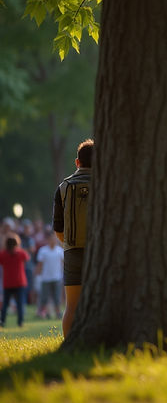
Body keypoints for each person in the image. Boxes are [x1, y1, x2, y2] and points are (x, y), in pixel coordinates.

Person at [52, 138, 93, 337]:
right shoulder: (109, 187)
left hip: (73, 252)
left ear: (77, 162)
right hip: (101, 254)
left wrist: (68, 243)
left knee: (71, 306)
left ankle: (69, 345)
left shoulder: (63, 187)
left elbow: (58, 228)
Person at [0, 235, 30, 328]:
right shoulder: (21, 253)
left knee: (5, 304)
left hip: (8, 282)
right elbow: (27, 258)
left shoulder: (2, 254)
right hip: (19, 282)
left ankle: (3, 321)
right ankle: (20, 322)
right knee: (20, 303)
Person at [36, 233, 65, 319]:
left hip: (57, 277)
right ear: (48, 240)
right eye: (51, 239)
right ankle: (42, 313)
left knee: (57, 297)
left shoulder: (60, 250)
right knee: (44, 297)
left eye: (54, 239)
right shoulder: (43, 250)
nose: (53, 240)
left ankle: (58, 313)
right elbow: (40, 264)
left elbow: (63, 263)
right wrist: (38, 274)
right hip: (46, 278)